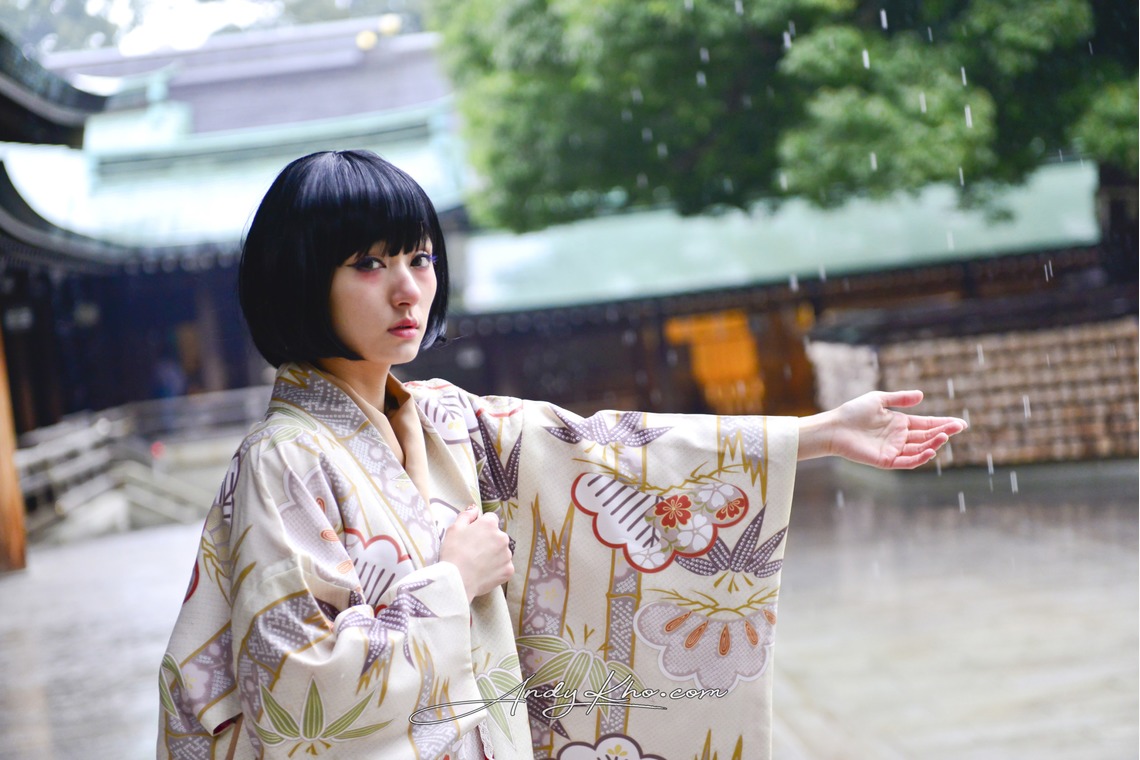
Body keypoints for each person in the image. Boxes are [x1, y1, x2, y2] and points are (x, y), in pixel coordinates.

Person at [157, 150, 966, 760]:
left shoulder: (447, 419)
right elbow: (297, 687)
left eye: (419, 257)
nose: (407, 288)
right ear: (301, 278)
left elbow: (606, 451)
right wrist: (452, 583)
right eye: (367, 264)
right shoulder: (283, 462)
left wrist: (818, 434)